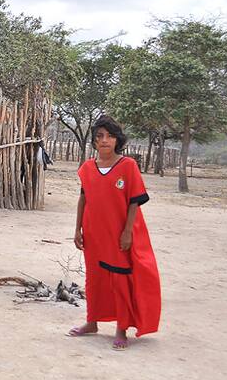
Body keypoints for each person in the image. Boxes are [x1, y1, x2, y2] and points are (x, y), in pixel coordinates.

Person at [68, 115, 161, 350]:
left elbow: (134, 201)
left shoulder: (127, 166)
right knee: (94, 278)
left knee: (119, 279)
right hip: (94, 233)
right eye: (100, 136)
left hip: (118, 234)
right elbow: (83, 199)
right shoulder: (87, 168)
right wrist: (77, 228)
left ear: (117, 139)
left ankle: (121, 328)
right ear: (94, 140)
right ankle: (92, 322)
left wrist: (127, 232)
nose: (104, 140)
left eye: (109, 136)